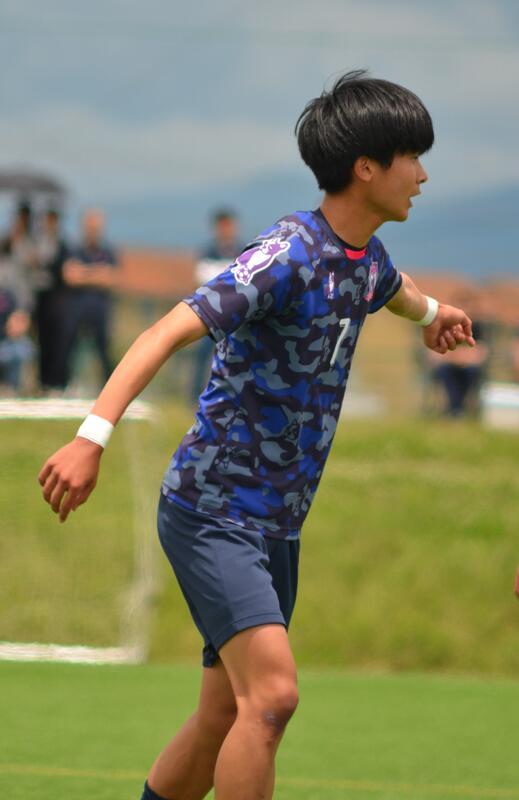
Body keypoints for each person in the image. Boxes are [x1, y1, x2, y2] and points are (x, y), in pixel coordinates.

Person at [38, 71, 475, 800]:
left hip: (276, 526)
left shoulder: (366, 259)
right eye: (412, 158)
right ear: (366, 167)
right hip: (213, 511)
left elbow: (394, 292)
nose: (423, 175)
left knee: (224, 716)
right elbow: (165, 330)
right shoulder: (285, 256)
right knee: (272, 697)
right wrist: (91, 437)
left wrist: (435, 316)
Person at [57, 209, 118, 388]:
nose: (93, 231)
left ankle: (109, 389)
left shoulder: (108, 251)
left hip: (100, 312)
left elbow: (111, 278)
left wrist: (84, 272)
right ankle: (66, 387)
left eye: (96, 227)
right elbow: (70, 276)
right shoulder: (74, 249)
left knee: (104, 354)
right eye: (90, 227)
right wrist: (97, 272)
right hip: (75, 311)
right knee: (69, 352)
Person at [190, 209, 244, 401]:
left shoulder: (243, 251)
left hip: (236, 317)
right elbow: (202, 279)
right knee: (203, 355)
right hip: (211, 314)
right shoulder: (208, 252)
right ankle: (195, 396)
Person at [33, 209, 69, 392]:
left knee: (58, 341)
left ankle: (57, 381)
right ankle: (43, 381)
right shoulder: (37, 242)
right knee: (42, 340)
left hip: (56, 298)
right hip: (40, 297)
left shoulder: (62, 244)